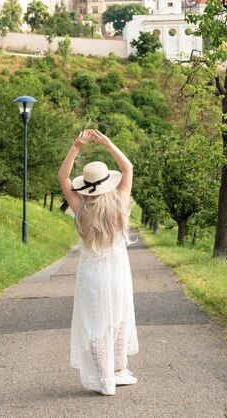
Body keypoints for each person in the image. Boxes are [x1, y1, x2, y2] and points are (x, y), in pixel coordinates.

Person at [58, 129, 139, 396]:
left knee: (94, 325)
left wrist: (76, 147)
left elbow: (63, 177)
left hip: (91, 271)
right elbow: (127, 167)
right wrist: (107, 144)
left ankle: (106, 379)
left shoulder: (81, 207)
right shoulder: (120, 202)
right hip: (118, 272)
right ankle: (118, 370)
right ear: (108, 182)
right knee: (118, 318)